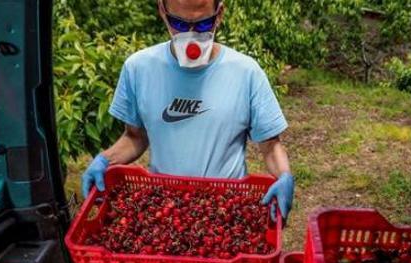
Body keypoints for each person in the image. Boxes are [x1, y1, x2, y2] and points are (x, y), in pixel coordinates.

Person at [81, 0, 295, 221]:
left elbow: (270, 146)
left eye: (203, 25)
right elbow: (135, 136)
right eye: (180, 25)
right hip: (165, 211)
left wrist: (284, 175)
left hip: (226, 211)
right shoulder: (139, 69)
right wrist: (106, 159)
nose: (192, 36)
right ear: (162, 12)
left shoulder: (246, 73)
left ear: (219, 14)